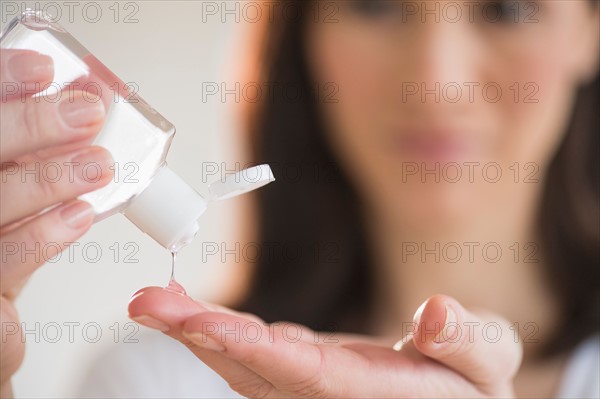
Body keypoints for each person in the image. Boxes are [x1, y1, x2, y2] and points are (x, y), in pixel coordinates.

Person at [1, 1, 598, 397]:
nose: (436, 80)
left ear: (591, 26)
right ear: (305, 33)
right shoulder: (159, 380)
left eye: (507, 8)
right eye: (375, 2)